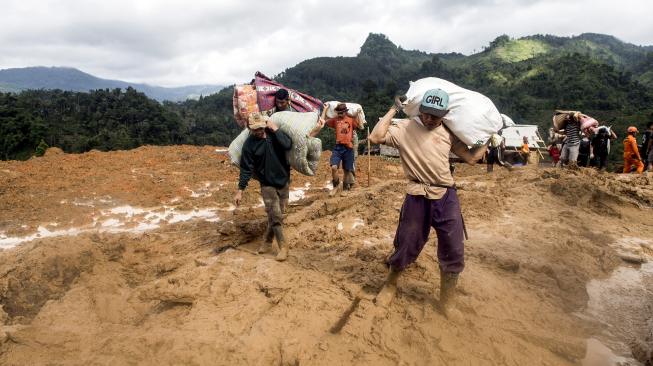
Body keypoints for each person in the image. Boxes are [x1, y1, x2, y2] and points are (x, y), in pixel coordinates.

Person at [368, 89, 488, 316]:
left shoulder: (448, 133)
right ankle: (390, 285)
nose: (430, 119)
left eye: (436, 115)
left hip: (446, 195)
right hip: (417, 193)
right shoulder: (404, 128)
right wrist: (395, 108)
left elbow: (471, 158)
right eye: (427, 114)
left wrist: (489, 139)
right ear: (420, 110)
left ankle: (447, 302)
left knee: (453, 246)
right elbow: (375, 137)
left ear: (445, 114)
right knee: (406, 241)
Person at [234, 113, 293, 261]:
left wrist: (275, 129)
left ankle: (266, 242)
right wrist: (240, 191)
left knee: (276, 216)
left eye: (261, 128)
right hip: (267, 184)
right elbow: (246, 169)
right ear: (250, 128)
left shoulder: (274, 135)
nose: (259, 131)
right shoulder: (249, 145)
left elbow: (288, 145)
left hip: (284, 181)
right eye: (255, 129)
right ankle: (283, 247)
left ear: (265, 124)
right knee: (276, 216)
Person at [311, 103, 361, 192]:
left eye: (342, 113)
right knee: (334, 167)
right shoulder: (335, 120)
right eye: (338, 113)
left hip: (348, 148)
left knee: (347, 170)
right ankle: (336, 186)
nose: (340, 115)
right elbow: (322, 121)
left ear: (345, 112)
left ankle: (345, 188)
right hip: (338, 147)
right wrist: (325, 109)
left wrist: (357, 114)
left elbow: (359, 125)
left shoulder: (351, 120)